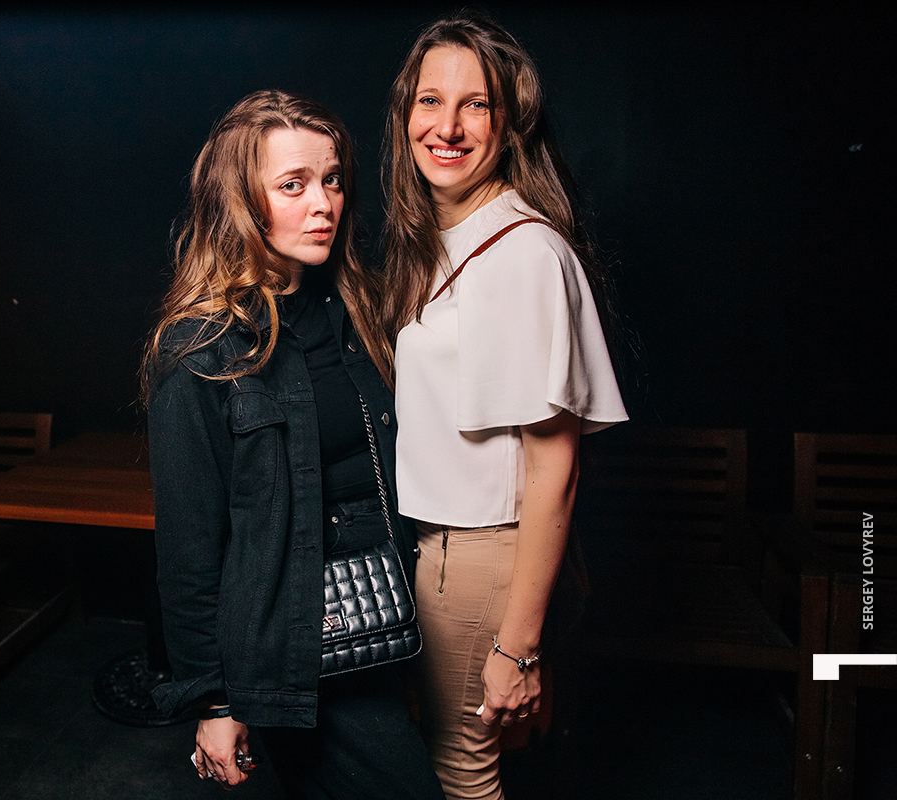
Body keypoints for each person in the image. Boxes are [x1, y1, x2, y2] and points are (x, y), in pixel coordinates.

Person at [141, 89, 445, 800]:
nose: (323, 204)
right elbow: (189, 546)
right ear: (242, 203)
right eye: (293, 184)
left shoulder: (357, 310)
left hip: (391, 613)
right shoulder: (201, 349)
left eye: (332, 180)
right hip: (296, 640)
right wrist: (214, 700)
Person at [381, 11, 629, 799]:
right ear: (405, 114)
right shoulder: (450, 239)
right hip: (447, 551)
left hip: (480, 557)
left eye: (475, 105)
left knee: (464, 773)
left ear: (510, 122)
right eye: (430, 101)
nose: (447, 126)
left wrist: (518, 646)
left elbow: (557, 466)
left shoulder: (521, 253)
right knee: (458, 762)